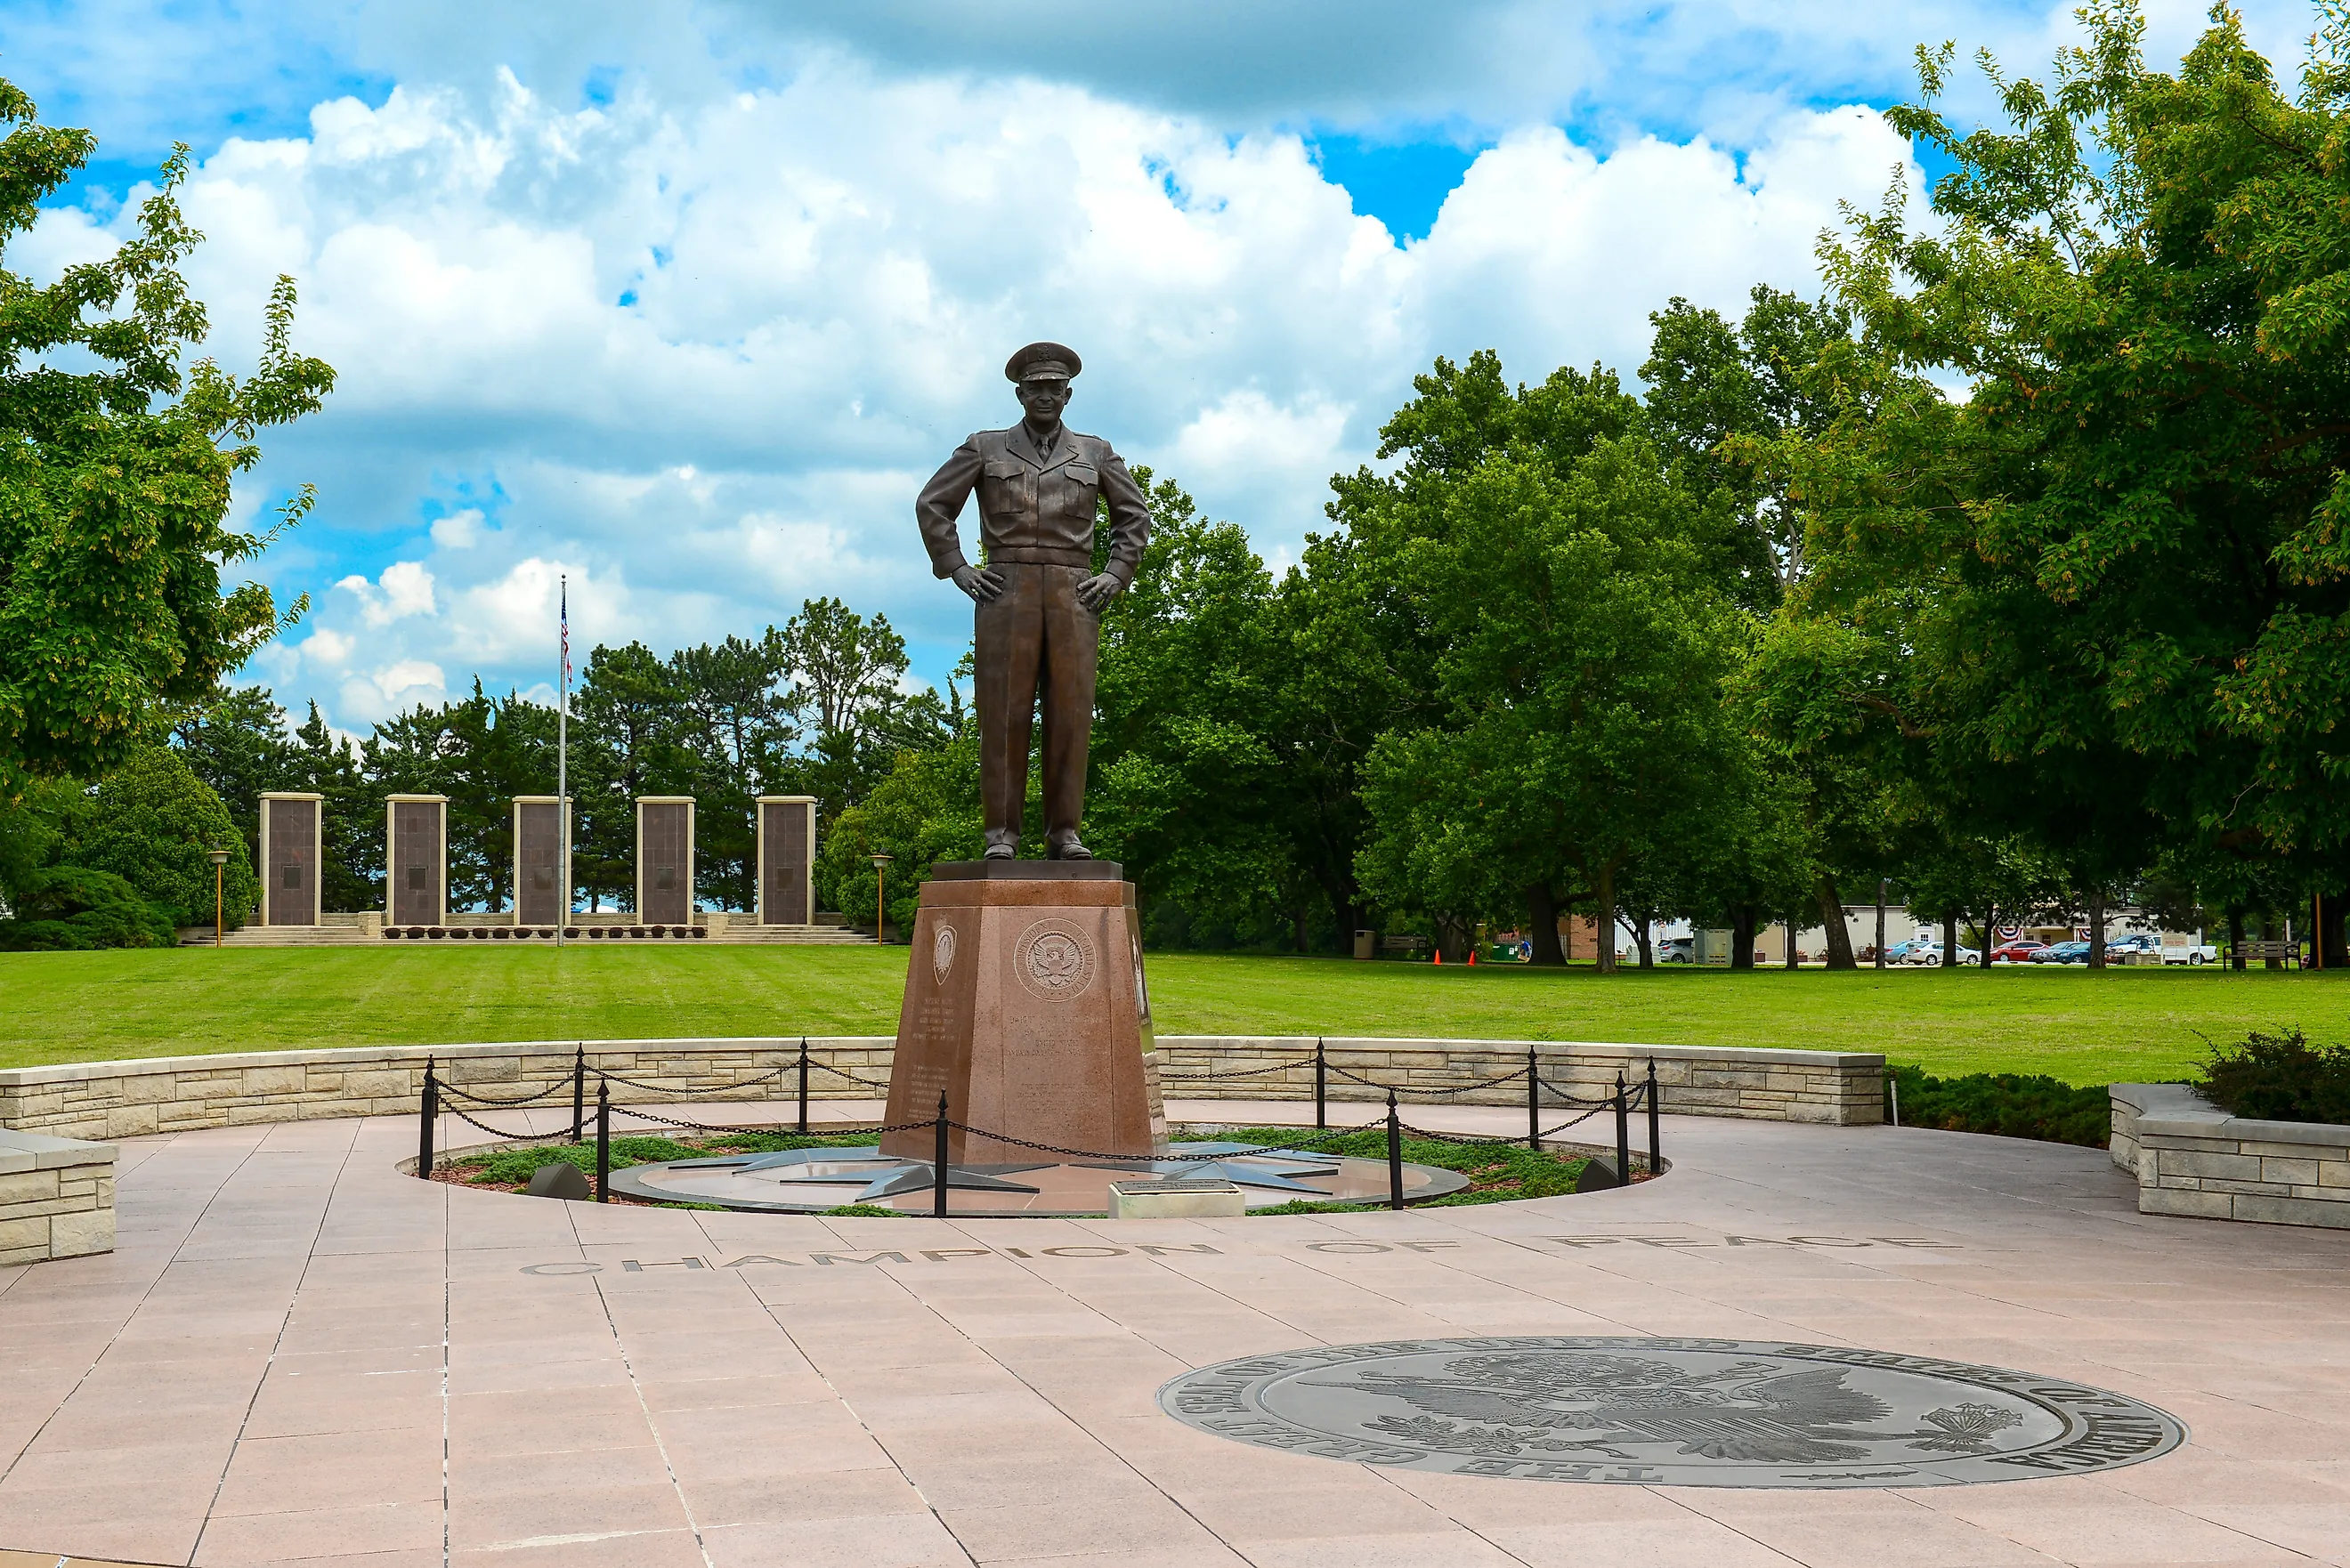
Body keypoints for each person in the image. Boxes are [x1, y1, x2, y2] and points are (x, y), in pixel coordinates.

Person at [914, 344, 1151, 860]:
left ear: (1068, 394)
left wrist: (1115, 574)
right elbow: (933, 504)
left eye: (1054, 387)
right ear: (1020, 392)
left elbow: (1134, 519)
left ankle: (1065, 833)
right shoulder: (985, 447)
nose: (1045, 395)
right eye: (1035, 386)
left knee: (1071, 712)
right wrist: (956, 566)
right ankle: (1001, 835)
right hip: (1006, 588)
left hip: (1074, 593)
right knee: (1004, 714)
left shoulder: (1096, 453)